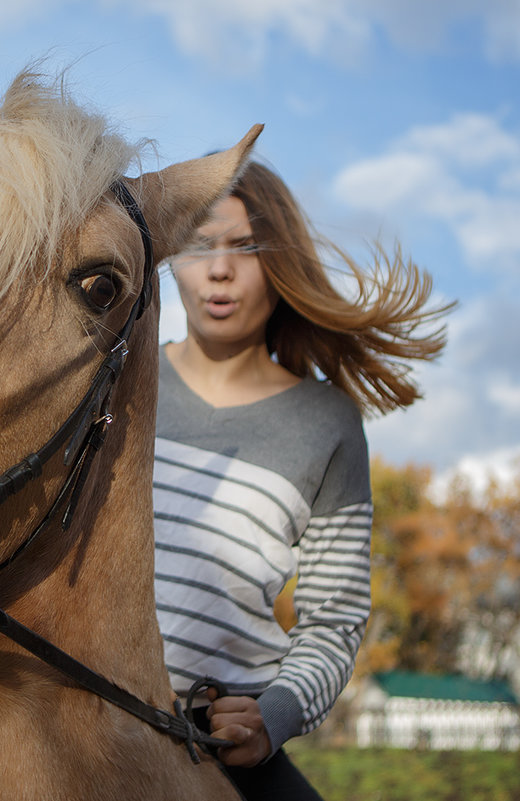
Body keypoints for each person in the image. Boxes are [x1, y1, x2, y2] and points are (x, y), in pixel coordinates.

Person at [153, 161, 452, 799]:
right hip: (83, 716)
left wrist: (273, 715)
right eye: (199, 245)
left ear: (282, 264)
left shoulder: (329, 422)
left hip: (223, 746)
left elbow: (335, 618)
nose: (219, 269)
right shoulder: (118, 385)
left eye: (246, 247)